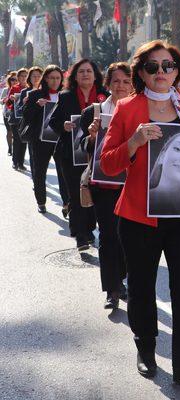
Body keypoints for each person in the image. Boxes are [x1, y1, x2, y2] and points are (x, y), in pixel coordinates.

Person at [100, 40, 180, 392]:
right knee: (141, 288)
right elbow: (108, 163)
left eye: (167, 65)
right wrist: (135, 142)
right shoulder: (127, 109)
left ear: (177, 69)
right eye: (152, 67)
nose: (161, 73)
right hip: (139, 217)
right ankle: (146, 350)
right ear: (140, 72)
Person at [79, 62, 132, 309]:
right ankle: (112, 288)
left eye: (126, 81)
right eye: (116, 81)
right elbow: (82, 149)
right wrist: (91, 137)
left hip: (132, 184)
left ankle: (121, 279)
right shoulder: (95, 111)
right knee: (108, 236)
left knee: (126, 237)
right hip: (103, 184)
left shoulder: (140, 109)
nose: (120, 86)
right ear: (108, 83)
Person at [49, 59, 109, 250]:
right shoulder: (66, 96)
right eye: (81, 71)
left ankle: (90, 228)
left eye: (89, 71)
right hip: (70, 154)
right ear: (75, 76)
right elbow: (53, 121)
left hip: (96, 155)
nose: (85, 74)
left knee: (92, 193)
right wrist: (64, 126)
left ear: (95, 75)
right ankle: (80, 235)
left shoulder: (105, 96)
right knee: (76, 194)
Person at [21, 66, 68, 214]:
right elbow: (26, 116)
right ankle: (41, 201)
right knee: (40, 172)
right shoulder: (35, 94)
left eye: (58, 78)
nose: (55, 81)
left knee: (64, 173)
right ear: (45, 79)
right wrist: (36, 105)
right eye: (51, 78)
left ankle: (67, 203)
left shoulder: (66, 95)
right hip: (40, 141)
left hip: (60, 140)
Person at [16, 67, 42, 173]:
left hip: (45, 128)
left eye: (38, 76)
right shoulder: (25, 92)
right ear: (29, 78)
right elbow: (20, 110)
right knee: (33, 154)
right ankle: (36, 179)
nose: (36, 78)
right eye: (33, 76)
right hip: (32, 127)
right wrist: (24, 103)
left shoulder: (46, 91)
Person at [6, 69, 27, 170]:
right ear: (18, 78)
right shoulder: (14, 88)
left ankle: (21, 163)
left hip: (26, 119)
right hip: (15, 118)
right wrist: (11, 99)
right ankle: (15, 162)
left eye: (26, 76)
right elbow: (8, 104)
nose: (24, 78)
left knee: (24, 141)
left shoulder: (30, 89)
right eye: (22, 76)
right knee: (17, 140)